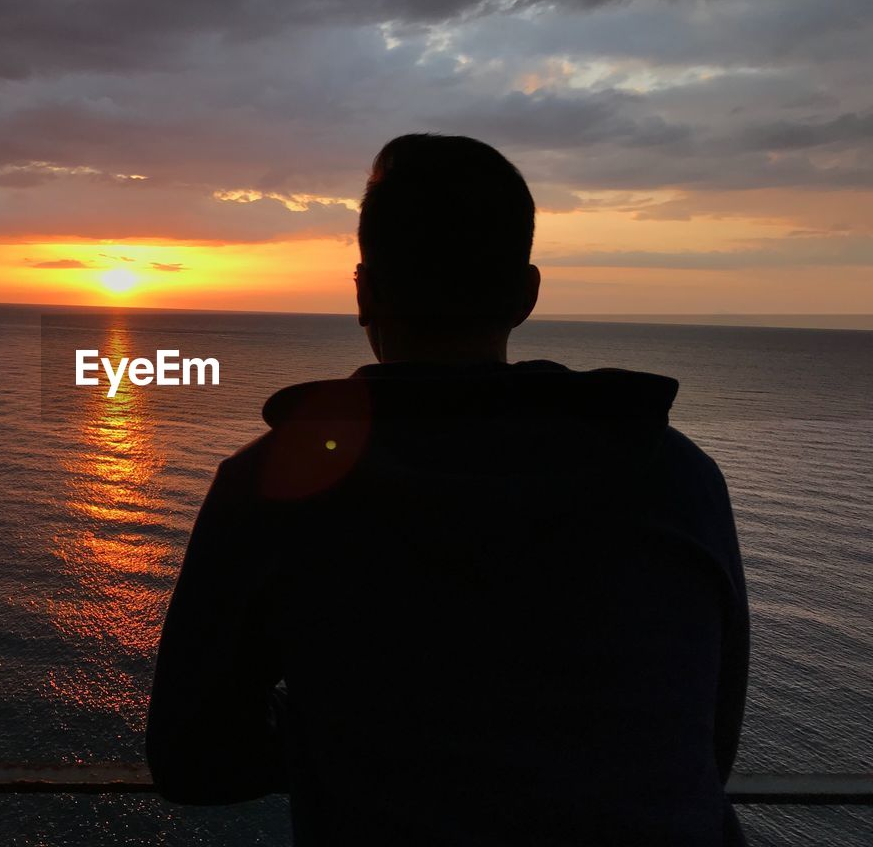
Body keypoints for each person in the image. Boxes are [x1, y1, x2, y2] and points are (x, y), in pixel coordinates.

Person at [146, 134, 749, 846]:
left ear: (364, 293)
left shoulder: (272, 484)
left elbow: (192, 760)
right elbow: (710, 746)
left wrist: (336, 733)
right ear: (526, 296)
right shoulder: (676, 476)